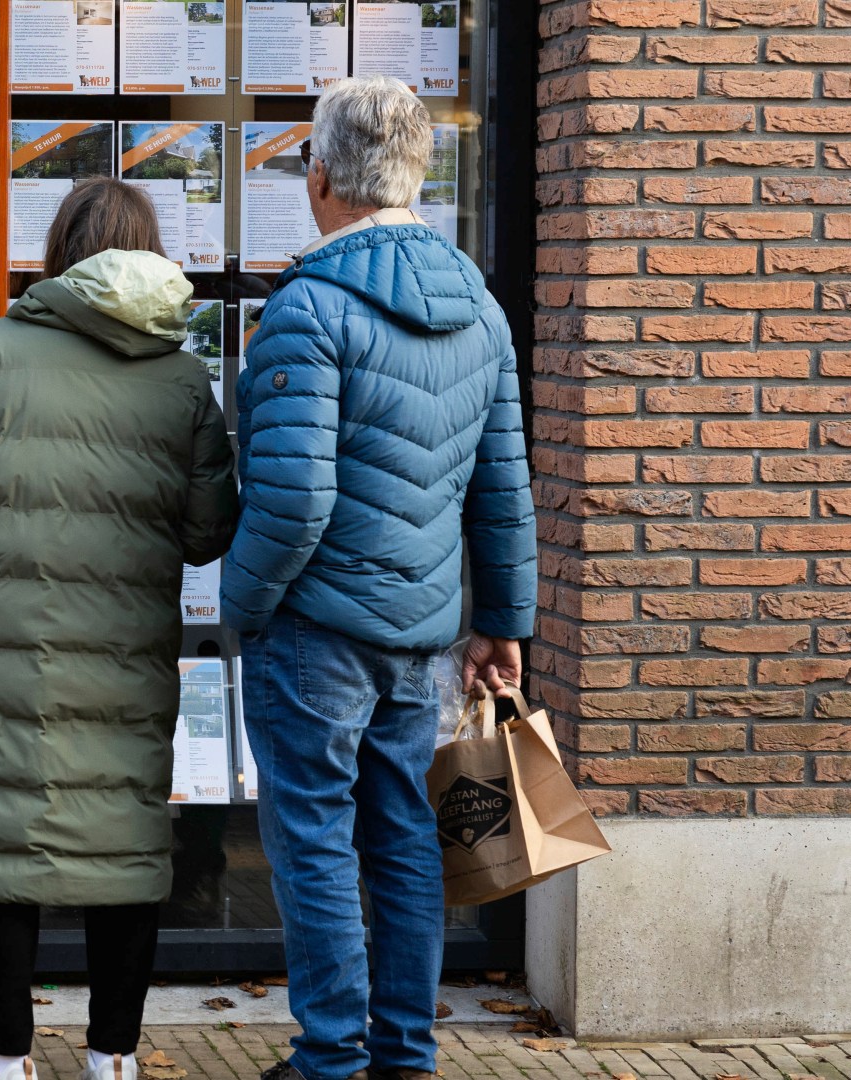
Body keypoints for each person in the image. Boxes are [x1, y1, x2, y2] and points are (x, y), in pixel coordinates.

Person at [0, 177, 238, 1080]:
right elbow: (207, 534)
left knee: (2, 845)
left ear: (58, 253)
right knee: (121, 845)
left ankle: (4, 1061)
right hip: (123, 657)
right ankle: (112, 1058)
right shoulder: (183, 378)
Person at [220, 76, 536, 1080]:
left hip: (313, 629)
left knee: (313, 838)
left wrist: (242, 609)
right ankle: (404, 1054)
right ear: (416, 177)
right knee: (402, 833)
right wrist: (503, 620)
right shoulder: (479, 308)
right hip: (423, 629)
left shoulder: (309, 308)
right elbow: (503, 487)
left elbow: (291, 504)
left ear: (320, 176)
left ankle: (329, 1059)